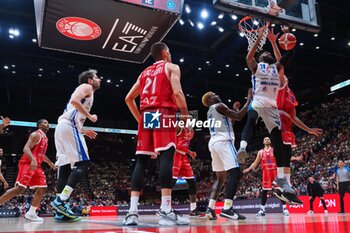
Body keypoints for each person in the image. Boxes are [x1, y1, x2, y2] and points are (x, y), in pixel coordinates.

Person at [124, 42, 190, 226]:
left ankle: (132, 212)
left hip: (147, 115)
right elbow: (177, 93)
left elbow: (128, 98)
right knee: (167, 157)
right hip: (163, 113)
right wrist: (185, 118)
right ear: (165, 53)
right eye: (169, 50)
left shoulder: (144, 73)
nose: (171, 53)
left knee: (141, 161)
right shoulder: (171, 67)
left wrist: (140, 119)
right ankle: (166, 209)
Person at [51, 69, 101, 222]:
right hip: (69, 127)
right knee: (83, 163)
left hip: (63, 127)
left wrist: (84, 131)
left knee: (65, 168)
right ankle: (61, 201)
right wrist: (90, 116)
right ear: (90, 80)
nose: (100, 79)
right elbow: (74, 101)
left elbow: (74, 112)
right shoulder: (87, 88)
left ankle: (60, 212)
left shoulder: (87, 92)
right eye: (97, 77)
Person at [201, 89, 252, 220]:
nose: (217, 95)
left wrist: (234, 109)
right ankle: (227, 208)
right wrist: (248, 100)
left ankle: (210, 208)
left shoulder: (211, 111)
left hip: (214, 143)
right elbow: (239, 116)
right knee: (235, 172)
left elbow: (230, 121)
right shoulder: (220, 105)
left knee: (220, 179)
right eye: (214, 95)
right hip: (224, 141)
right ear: (210, 100)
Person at [0, 119, 56, 221]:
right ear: (39, 125)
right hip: (27, 163)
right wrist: (33, 159)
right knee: (19, 189)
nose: (47, 124)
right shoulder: (36, 134)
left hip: (37, 166)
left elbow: (42, 155)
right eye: (45, 122)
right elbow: (26, 148)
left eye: (48, 122)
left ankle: (31, 213)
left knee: (42, 188)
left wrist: (50, 163)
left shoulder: (45, 138)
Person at [243, 137, 289, 216]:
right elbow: (255, 163)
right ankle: (262, 209)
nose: (267, 140)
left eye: (268, 139)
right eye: (265, 139)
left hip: (275, 172)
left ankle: (284, 208)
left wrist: (295, 158)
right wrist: (248, 169)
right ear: (263, 142)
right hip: (266, 173)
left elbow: (284, 157)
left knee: (278, 190)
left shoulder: (274, 150)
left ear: (270, 141)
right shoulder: (260, 152)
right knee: (264, 191)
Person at [171, 126, 201, 216]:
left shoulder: (191, 131)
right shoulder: (179, 128)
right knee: (171, 182)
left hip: (184, 156)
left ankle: (193, 209)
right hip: (175, 156)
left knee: (192, 182)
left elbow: (183, 145)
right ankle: (165, 207)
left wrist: (189, 152)